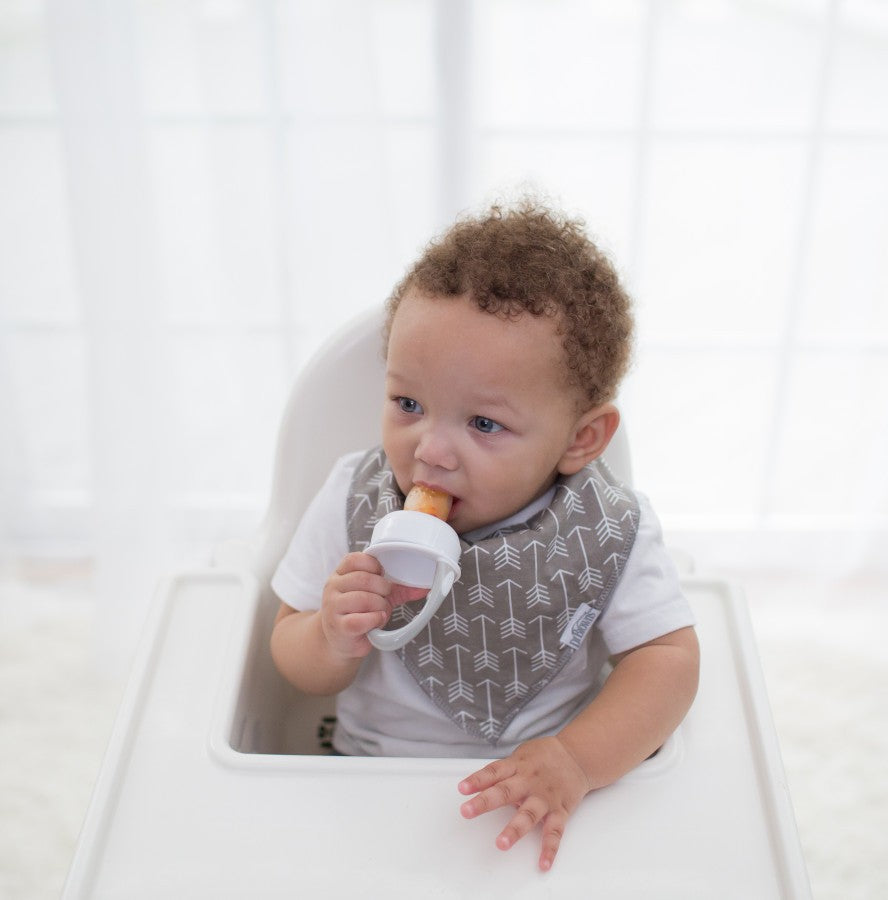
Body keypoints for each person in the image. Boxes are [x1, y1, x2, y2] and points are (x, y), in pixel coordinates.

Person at [270, 200, 699, 872]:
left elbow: (669, 663)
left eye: (484, 425)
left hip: (543, 794)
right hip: (368, 783)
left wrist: (579, 760)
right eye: (408, 405)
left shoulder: (602, 531)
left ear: (580, 439)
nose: (430, 451)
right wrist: (329, 636)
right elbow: (291, 657)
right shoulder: (355, 497)